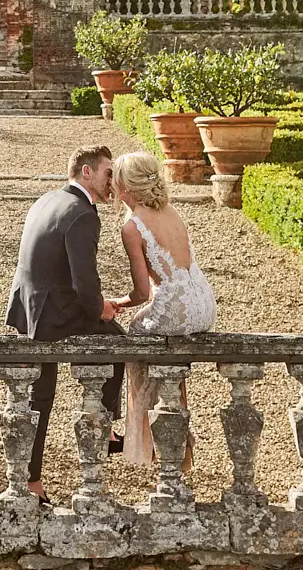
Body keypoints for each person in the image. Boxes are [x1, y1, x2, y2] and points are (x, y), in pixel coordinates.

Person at [5, 143, 125, 499]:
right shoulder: (83, 213)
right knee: (116, 339)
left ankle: (31, 483)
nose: (113, 182)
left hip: (28, 308)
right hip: (54, 312)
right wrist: (99, 308)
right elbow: (85, 281)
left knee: (39, 397)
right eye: (108, 173)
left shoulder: (48, 199)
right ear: (86, 172)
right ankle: (105, 430)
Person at [109, 150, 216, 465]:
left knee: (134, 340)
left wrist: (118, 303)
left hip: (176, 306)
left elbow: (143, 293)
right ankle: (178, 434)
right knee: (162, 356)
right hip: (204, 302)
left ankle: (149, 439)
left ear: (125, 188)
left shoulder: (132, 227)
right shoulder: (172, 211)